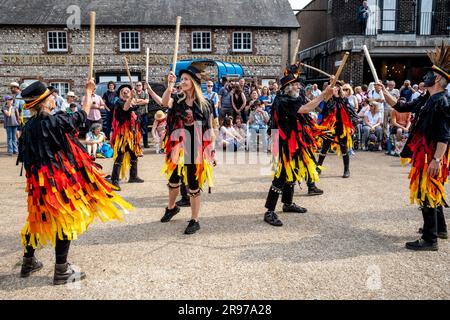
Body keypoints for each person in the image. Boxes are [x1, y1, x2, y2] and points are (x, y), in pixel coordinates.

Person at [17, 79, 132, 285]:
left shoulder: (28, 128)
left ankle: (28, 262)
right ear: (43, 102)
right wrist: (88, 93)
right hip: (56, 181)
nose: (54, 98)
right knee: (66, 219)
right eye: (51, 96)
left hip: (37, 184)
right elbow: (81, 115)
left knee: (37, 220)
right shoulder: (53, 122)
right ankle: (61, 270)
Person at [381, 42, 449, 251]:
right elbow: (402, 106)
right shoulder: (427, 98)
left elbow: (445, 135)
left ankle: (430, 239)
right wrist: (384, 92)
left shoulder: (442, 102)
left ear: (437, 79)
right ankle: (440, 229)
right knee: (431, 189)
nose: (425, 76)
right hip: (425, 152)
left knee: (426, 190)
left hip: (432, 154)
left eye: (429, 74)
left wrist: (437, 160)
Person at [263, 63, 333, 227]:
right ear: (287, 87)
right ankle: (270, 211)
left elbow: (312, 103)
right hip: (285, 141)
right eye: (294, 84)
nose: (298, 86)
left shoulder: (294, 97)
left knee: (293, 173)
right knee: (280, 176)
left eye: (297, 84)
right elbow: (306, 108)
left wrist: (329, 92)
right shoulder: (284, 100)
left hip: (296, 140)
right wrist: (323, 93)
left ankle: (287, 203)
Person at [160, 65, 215, 235]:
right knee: (174, 179)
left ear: (193, 83)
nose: (182, 81)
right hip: (178, 145)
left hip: (195, 147)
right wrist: (169, 85)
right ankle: (171, 207)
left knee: (193, 183)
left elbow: (211, 129)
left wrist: (211, 151)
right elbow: (163, 102)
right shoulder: (177, 99)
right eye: (181, 79)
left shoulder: (206, 104)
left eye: (185, 79)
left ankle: (194, 219)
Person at [317, 82, 357, 178]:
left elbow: (345, 109)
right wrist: (332, 96)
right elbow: (327, 109)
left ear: (340, 88)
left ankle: (346, 170)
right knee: (325, 147)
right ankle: (318, 168)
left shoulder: (344, 99)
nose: (336, 88)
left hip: (341, 127)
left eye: (338, 86)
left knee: (344, 148)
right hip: (330, 127)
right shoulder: (328, 99)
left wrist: (337, 96)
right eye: (334, 86)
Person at [110, 85, 144, 190]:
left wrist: (136, 97)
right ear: (120, 94)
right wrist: (131, 98)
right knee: (119, 157)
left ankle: (133, 176)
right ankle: (114, 180)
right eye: (123, 92)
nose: (125, 92)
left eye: (127, 91)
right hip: (122, 134)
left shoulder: (133, 103)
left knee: (134, 156)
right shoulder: (118, 103)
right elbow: (125, 108)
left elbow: (143, 102)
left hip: (133, 133)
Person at [133, 82, 150, 148]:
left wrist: (137, 102)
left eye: (139, 85)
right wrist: (142, 100)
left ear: (142, 86)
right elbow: (133, 101)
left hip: (144, 114)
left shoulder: (145, 94)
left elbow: (146, 101)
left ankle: (145, 144)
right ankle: (136, 143)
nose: (138, 86)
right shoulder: (133, 93)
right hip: (136, 114)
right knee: (136, 129)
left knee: (145, 129)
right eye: (137, 85)